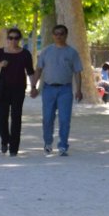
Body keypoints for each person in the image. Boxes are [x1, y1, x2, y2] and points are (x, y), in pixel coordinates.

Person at [0, 28, 38, 157]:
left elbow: (30, 72)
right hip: (2, 89)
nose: (13, 40)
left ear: (19, 39)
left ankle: (14, 147)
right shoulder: (0, 53)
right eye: (10, 38)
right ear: (7, 39)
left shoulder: (25, 54)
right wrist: (0, 64)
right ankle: (5, 140)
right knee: (2, 117)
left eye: (16, 38)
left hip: (19, 89)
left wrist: (33, 87)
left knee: (16, 118)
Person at [36, 24, 83, 156]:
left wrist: (78, 90)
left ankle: (63, 145)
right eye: (56, 33)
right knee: (47, 118)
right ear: (53, 35)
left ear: (66, 35)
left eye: (61, 33)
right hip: (48, 89)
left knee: (64, 119)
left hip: (65, 89)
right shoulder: (46, 51)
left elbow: (77, 72)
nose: (58, 36)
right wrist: (34, 86)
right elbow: (38, 69)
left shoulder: (72, 53)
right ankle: (48, 143)